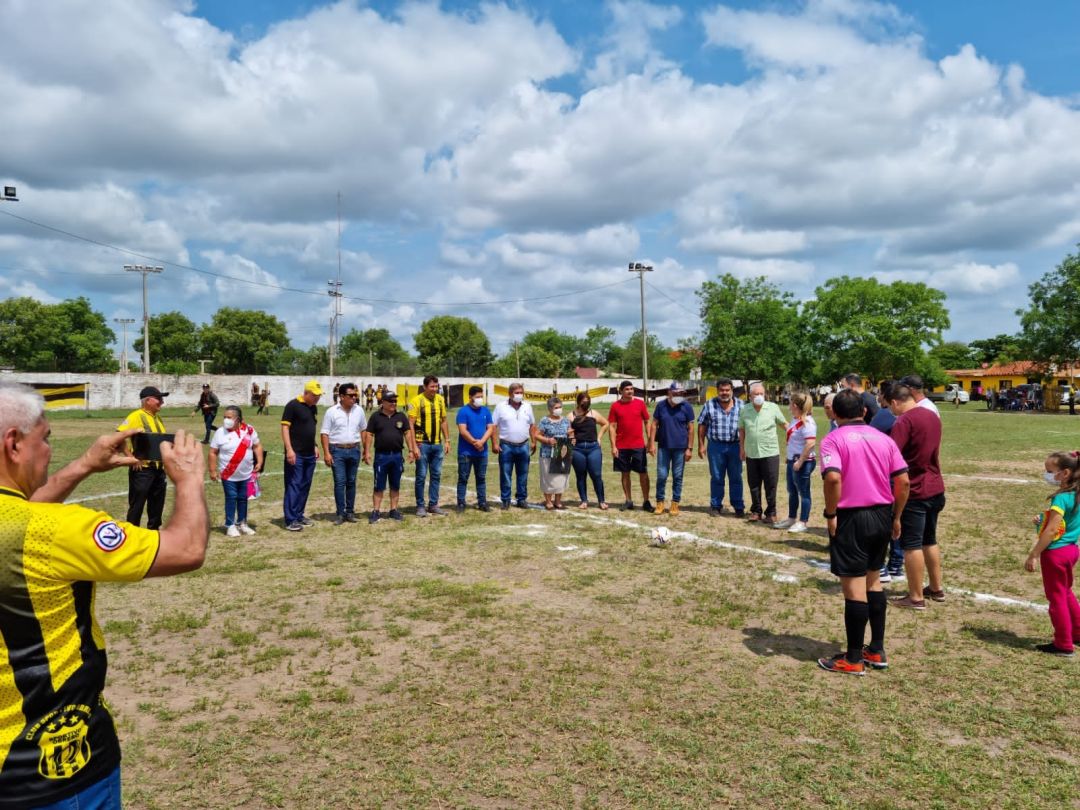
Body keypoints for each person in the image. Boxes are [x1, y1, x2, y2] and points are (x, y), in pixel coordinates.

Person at [0, 382, 208, 808]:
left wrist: (84, 466)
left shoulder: (22, 523)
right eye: (46, 439)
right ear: (14, 444)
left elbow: (22, 510)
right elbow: (186, 549)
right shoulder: (56, 530)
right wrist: (189, 479)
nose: (50, 451)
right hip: (49, 770)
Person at [816, 389, 910, 675]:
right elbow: (903, 481)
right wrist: (896, 517)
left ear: (835, 413)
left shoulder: (833, 439)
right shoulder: (884, 439)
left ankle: (854, 658)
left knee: (854, 588)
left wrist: (831, 513)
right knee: (874, 582)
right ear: (865, 411)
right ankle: (876, 649)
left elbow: (832, 477)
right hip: (882, 514)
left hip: (852, 517)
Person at [886, 382, 947, 606]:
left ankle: (915, 597)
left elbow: (891, 454)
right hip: (935, 487)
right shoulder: (932, 415)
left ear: (895, 402)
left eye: (890, 406)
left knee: (911, 544)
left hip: (915, 490)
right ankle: (936, 588)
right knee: (929, 539)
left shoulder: (904, 420)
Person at [1026, 451, 1080, 656]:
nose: (1046, 474)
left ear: (1065, 473)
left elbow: (1052, 531)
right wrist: (1043, 519)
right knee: (1065, 592)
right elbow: (1065, 524)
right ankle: (1077, 633)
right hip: (1072, 550)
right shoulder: (1077, 494)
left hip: (1055, 554)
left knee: (1056, 597)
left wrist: (1034, 554)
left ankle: (1063, 644)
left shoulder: (1061, 499)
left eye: (1049, 471)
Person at [117, 385, 169, 529]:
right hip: (143, 470)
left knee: (157, 506)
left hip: (159, 470)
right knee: (137, 505)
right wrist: (130, 458)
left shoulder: (157, 418)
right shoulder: (136, 416)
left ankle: (153, 533)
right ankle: (131, 534)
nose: (162, 402)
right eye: (158, 399)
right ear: (147, 400)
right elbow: (119, 436)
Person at [208, 405, 264, 536]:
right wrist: (212, 470)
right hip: (228, 474)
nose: (226, 420)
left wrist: (260, 461)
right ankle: (230, 525)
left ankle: (242, 523)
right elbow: (212, 452)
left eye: (229, 417)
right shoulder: (220, 432)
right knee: (231, 497)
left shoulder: (249, 430)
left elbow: (257, 446)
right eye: (224, 417)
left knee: (243, 498)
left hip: (246, 473)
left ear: (238, 419)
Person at [363, 390, 416, 523]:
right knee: (378, 485)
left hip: (397, 456)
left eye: (395, 401)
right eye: (391, 401)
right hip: (381, 456)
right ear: (383, 402)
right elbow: (369, 434)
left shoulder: (401, 416)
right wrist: (367, 452)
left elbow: (408, 433)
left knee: (395, 485)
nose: (394, 403)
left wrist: (411, 450)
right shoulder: (376, 416)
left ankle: (394, 510)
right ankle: (376, 511)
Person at [739, 382, 787, 523]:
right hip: (752, 452)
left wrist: (795, 435)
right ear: (750, 396)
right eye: (756, 394)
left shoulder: (773, 408)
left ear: (764, 395)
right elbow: (741, 429)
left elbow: (784, 424)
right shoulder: (744, 410)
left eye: (761, 394)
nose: (759, 396)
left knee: (771, 484)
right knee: (753, 484)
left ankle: (771, 512)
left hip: (770, 452)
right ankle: (756, 511)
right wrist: (741, 448)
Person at [320, 382, 367, 525]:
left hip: (354, 449)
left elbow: (363, 429)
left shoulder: (359, 410)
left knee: (351, 482)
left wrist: (365, 450)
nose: (354, 398)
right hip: (337, 451)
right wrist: (327, 453)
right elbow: (325, 433)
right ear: (341, 396)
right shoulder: (331, 411)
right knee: (340, 482)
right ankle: (340, 513)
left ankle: (350, 512)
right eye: (350, 395)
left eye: (355, 395)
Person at [698, 379, 744, 517]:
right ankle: (716, 505)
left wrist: (744, 446)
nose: (724, 393)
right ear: (717, 391)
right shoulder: (709, 405)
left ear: (732, 391)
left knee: (736, 477)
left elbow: (747, 427)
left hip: (735, 446)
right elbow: (702, 425)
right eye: (721, 390)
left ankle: (738, 506)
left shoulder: (742, 405)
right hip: (716, 446)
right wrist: (701, 445)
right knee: (717, 477)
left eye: (727, 390)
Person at [281, 380, 323, 532]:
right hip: (296, 453)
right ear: (306, 393)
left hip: (309, 454)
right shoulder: (292, 406)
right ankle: (290, 519)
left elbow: (309, 429)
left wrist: (315, 445)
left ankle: (299, 514)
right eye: (314, 395)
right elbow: (285, 428)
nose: (317, 398)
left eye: (318, 396)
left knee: (305, 484)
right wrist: (289, 450)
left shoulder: (313, 408)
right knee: (294, 484)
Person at [408, 375, 451, 517]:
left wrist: (447, 440)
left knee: (436, 475)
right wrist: (413, 446)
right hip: (422, 445)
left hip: (437, 444)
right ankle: (420, 506)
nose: (435, 389)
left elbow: (444, 421)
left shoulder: (440, 400)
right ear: (425, 387)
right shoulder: (416, 401)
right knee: (421, 475)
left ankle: (433, 504)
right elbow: (411, 424)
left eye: (436, 386)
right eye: (432, 386)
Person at [774, 391, 817, 533]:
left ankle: (803, 522)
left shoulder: (807, 422)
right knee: (792, 491)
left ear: (794, 405)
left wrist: (800, 461)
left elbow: (810, 443)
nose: (789, 407)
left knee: (803, 492)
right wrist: (790, 456)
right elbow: (794, 440)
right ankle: (791, 518)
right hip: (793, 460)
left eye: (790, 404)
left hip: (803, 462)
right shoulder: (796, 419)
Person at [650, 382, 695, 516]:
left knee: (677, 476)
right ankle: (660, 502)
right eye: (676, 393)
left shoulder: (687, 407)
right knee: (662, 476)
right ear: (669, 392)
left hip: (680, 449)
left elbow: (691, 429)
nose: (678, 395)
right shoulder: (661, 406)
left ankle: (675, 503)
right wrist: (651, 444)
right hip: (664, 447)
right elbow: (654, 425)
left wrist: (690, 448)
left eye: (681, 393)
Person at [608, 380, 652, 512]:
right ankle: (628, 500)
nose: (630, 391)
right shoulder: (615, 406)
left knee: (643, 473)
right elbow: (612, 427)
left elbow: (647, 422)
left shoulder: (640, 403)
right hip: (622, 447)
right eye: (627, 389)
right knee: (625, 473)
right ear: (621, 391)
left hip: (638, 445)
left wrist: (649, 440)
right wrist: (613, 446)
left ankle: (646, 501)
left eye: (631, 389)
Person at [492, 383, 536, 509]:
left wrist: (533, 441)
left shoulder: (527, 406)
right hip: (506, 446)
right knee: (505, 474)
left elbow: (532, 425)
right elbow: (493, 426)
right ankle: (505, 500)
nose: (519, 395)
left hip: (523, 445)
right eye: (516, 393)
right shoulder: (501, 406)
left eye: (521, 392)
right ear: (510, 394)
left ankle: (521, 499)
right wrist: (495, 443)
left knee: (523, 474)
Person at [456, 385, 494, 512]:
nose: (480, 399)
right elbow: (462, 430)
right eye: (477, 397)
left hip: (482, 452)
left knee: (481, 478)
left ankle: (482, 502)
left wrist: (482, 442)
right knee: (463, 478)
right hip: (466, 452)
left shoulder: (486, 411)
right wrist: (474, 442)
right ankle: (461, 502)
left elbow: (490, 428)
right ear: (470, 397)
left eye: (481, 397)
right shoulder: (463, 411)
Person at [571, 391, 609, 509]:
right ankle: (584, 500)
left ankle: (601, 501)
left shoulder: (593, 413)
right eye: (583, 401)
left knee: (596, 474)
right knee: (581, 475)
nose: (586, 403)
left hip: (593, 448)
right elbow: (567, 431)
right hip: (578, 449)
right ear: (578, 402)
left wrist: (599, 437)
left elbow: (606, 424)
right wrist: (571, 437)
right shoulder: (571, 415)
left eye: (588, 401)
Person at [536, 396, 572, 510]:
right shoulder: (544, 421)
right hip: (547, 454)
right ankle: (548, 501)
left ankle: (558, 501)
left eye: (560, 407)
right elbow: (537, 435)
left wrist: (572, 437)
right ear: (550, 409)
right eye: (556, 407)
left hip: (563, 453)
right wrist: (547, 440)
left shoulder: (566, 420)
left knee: (561, 477)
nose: (559, 409)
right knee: (548, 477)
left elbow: (569, 434)